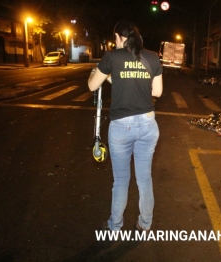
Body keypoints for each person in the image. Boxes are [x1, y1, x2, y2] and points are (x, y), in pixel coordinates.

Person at [88, 20, 163, 232]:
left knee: (121, 181)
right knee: (144, 178)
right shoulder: (153, 57)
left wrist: (95, 72)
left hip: (122, 126)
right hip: (148, 125)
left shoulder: (112, 57)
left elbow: (93, 85)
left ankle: (115, 226)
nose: (115, 42)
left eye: (115, 38)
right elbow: (156, 92)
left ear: (121, 38)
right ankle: (145, 223)